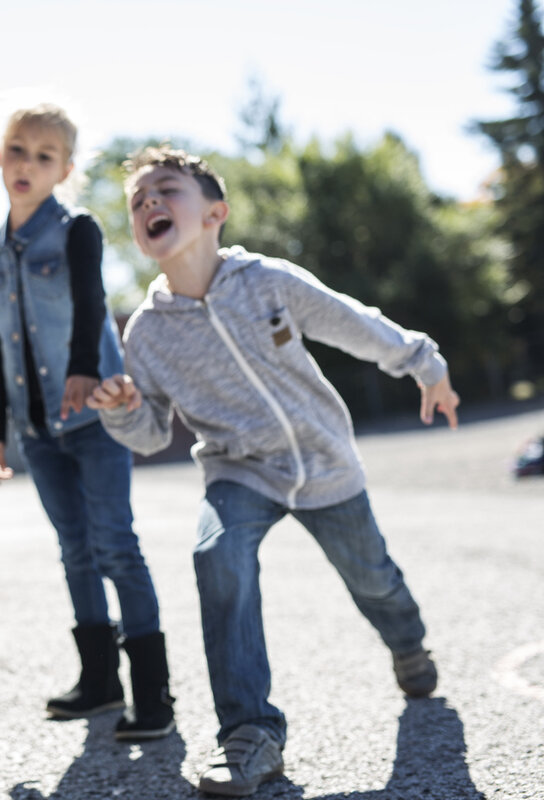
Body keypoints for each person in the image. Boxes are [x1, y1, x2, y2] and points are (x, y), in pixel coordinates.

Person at [89, 146, 459, 796]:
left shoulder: (267, 282)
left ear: (214, 213)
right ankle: (249, 737)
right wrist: (121, 411)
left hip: (323, 460)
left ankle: (408, 644)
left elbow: (354, 323)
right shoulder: (145, 333)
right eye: (138, 198)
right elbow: (148, 434)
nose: (149, 202)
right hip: (240, 472)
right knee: (217, 554)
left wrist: (424, 362)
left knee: (373, 579)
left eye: (166, 189)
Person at [0, 104, 173, 739]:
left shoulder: (77, 230)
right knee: (74, 550)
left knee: (115, 543)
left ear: (64, 169)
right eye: (17, 149)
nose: (27, 164)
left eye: (43, 155)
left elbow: (92, 304)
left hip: (94, 419)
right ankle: (99, 684)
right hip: (36, 430)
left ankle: (154, 696)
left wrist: (86, 372)